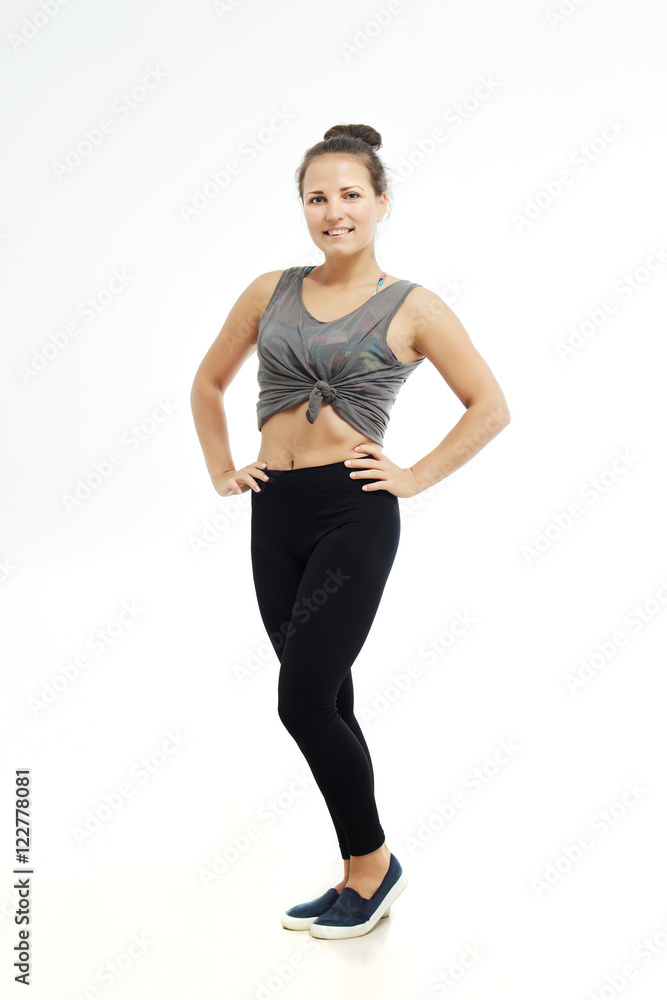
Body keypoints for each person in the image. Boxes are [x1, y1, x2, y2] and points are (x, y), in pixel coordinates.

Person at [190, 123, 511, 939]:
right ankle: (357, 872)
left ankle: (372, 868)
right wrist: (222, 468)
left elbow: (490, 406)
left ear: (380, 203)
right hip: (275, 513)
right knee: (328, 698)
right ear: (304, 207)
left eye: (349, 195)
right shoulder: (270, 290)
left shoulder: (414, 306)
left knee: (299, 699)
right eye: (317, 197)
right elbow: (207, 383)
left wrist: (411, 476)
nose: (333, 211)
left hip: (353, 511)